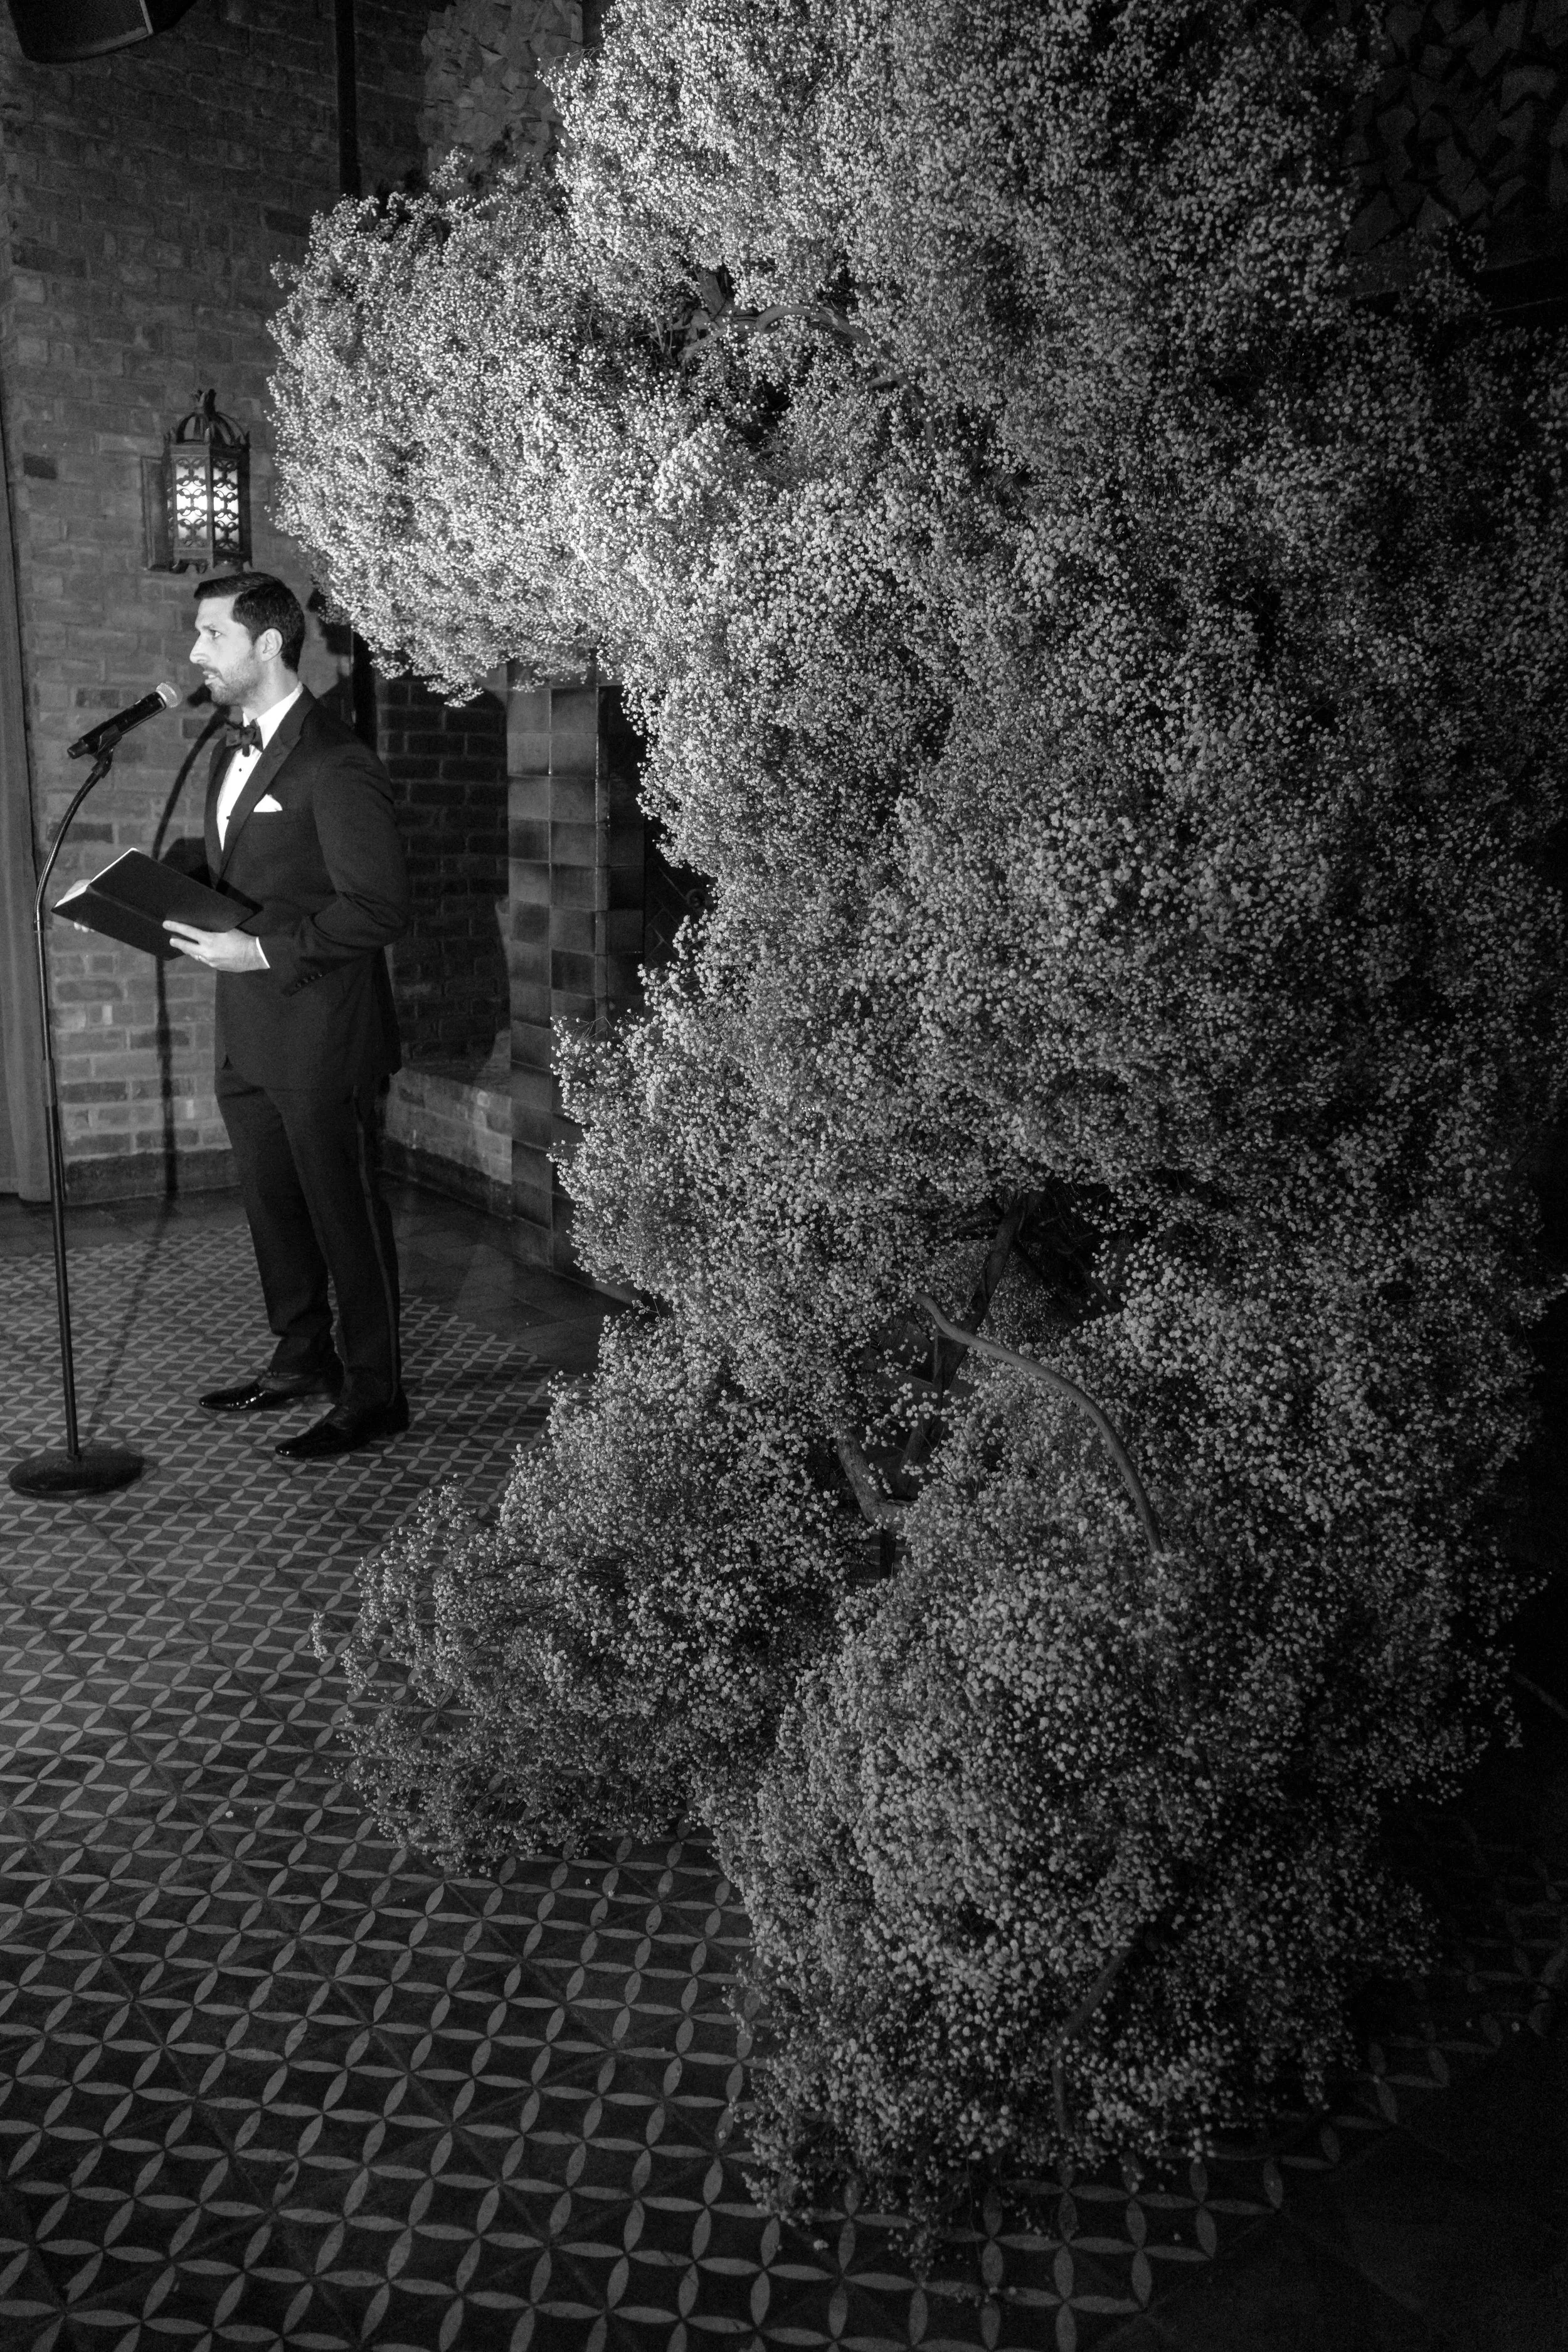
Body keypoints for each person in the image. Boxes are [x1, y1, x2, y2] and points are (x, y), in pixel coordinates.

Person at [164, 572, 411, 1460]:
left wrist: (264, 951)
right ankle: (302, 1354)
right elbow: (261, 876)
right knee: (273, 1205)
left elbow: (379, 908)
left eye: (210, 635)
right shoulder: (229, 747)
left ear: (268, 643)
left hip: (320, 1028)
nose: (196, 654)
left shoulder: (337, 759)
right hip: (248, 1029)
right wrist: (167, 896)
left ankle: (377, 1392)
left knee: (344, 1210)